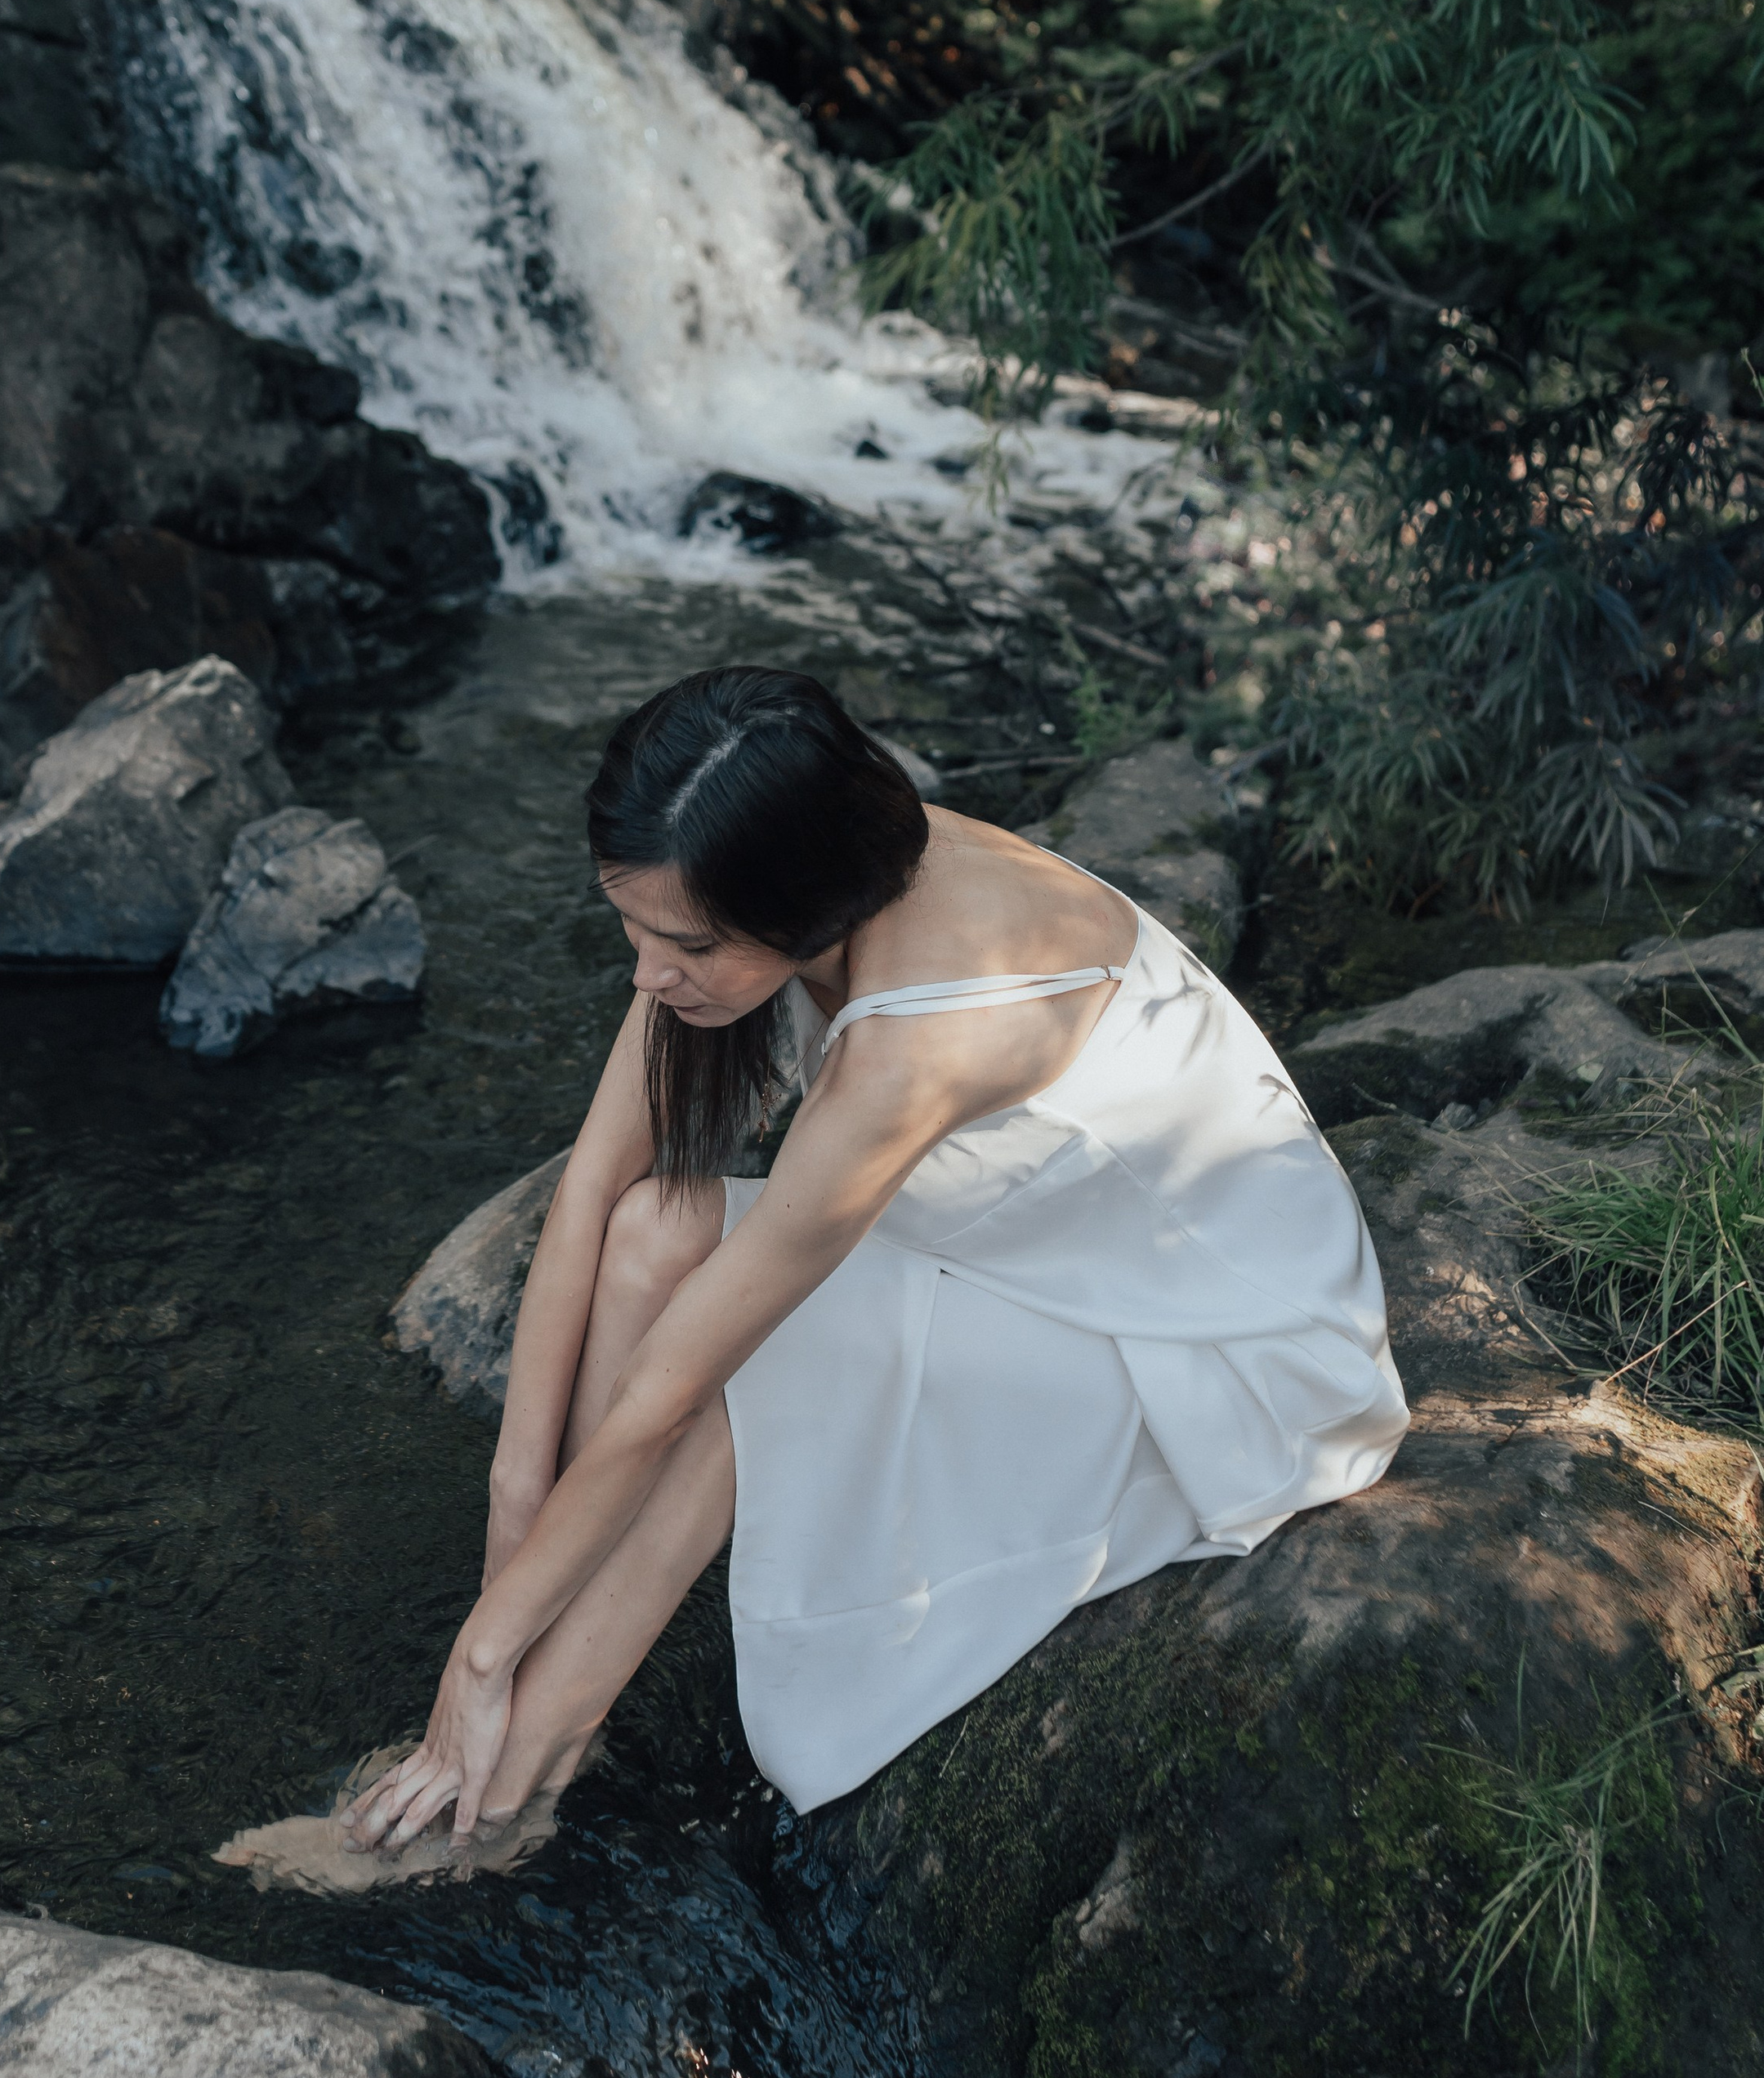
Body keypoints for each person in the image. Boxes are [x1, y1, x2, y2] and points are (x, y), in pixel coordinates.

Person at [341, 665, 1408, 1857]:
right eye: (629, 924)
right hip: (1032, 1248)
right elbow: (594, 1188)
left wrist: (480, 1657)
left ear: (799, 908)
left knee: (755, 1371)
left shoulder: (909, 1049)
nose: (646, 974)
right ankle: (519, 1696)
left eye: (683, 944)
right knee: (653, 1230)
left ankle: (503, 1786)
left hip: (1205, 1340)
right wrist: (513, 1530)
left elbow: (668, 1390)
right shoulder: (787, 851)